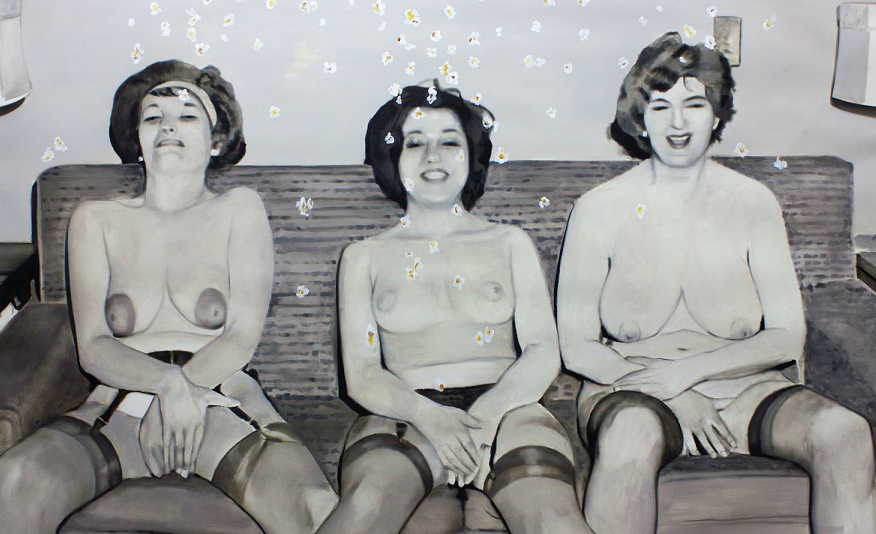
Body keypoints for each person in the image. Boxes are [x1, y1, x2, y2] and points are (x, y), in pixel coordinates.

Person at [556, 32, 876, 533]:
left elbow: (787, 335)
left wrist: (687, 376)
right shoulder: (597, 210)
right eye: (660, 107)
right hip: (631, 389)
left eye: (694, 104)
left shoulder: (755, 203)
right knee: (631, 432)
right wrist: (672, 393)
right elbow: (576, 346)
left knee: (845, 432)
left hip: (746, 389)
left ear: (717, 114)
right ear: (639, 117)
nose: (678, 123)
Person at [0, 60, 337, 534]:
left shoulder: (239, 208)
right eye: (153, 117)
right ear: (137, 138)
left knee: (316, 509)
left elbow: (241, 336)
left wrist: (182, 393)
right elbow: (93, 345)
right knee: (14, 482)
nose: (168, 127)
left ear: (216, 140)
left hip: (222, 400)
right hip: (119, 405)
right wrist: (167, 387)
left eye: (187, 115)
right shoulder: (94, 219)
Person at [317, 84, 591, 534]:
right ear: (392, 157)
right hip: (404, 412)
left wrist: (483, 419)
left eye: (449, 142)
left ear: (472, 154)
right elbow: (362, 374)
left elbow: (542, 350)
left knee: (551, 515)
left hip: (508, 408)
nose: (433, 156)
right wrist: (433, 419)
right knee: (366, 508)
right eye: (415, 143)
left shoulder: (509, 242)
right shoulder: (364, 256)